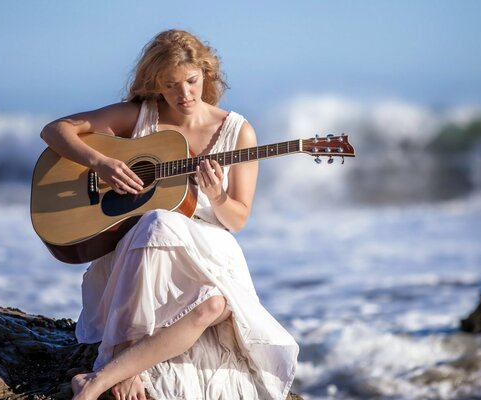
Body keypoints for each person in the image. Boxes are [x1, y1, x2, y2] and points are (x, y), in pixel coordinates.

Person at [40, 29, 298, 400]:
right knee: (158, 221)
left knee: (214, 302)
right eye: (170, 85)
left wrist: (217, 195)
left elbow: (237, 219)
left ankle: (100, 377)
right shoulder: (140, 116)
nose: (184, 94)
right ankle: (122, 361)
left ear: (206, 73)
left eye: (191, 81)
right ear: (155, 84)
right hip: (142, 255)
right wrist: (101, 162)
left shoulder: (238, 132)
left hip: (208, 248)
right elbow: (55, 130)